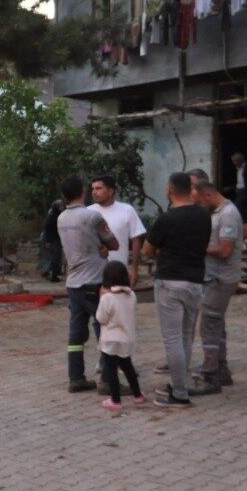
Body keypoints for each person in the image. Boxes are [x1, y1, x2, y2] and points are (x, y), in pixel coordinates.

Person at [142, 172, 211, 408]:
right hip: (195, 282)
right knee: (185, 337)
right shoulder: (204, 216)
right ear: (189, 190)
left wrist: (164, 250)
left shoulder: (166, 219)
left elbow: (147, 250)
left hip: (170, 282)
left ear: (170, 190)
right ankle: (180, 384)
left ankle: (180, 392)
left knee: (172, 339)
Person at [57, 175, 119, 392]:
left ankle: (76, 377)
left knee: (76, 333)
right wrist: (102, 248)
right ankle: (107, 380)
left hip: (73, 283)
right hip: (94, 280)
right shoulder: (93, 217)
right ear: (82, 191)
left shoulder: (61, 219)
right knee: (105, 327)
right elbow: (113, 242)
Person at [189, 179, 242, 394]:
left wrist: (200, 247)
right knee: (217, 322)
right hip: (214, 277)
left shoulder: (228, 214)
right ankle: (221, 370)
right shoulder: (218, 212)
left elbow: (225, 250)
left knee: (209, 324)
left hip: (221, 279)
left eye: (200, 201)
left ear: (208, 196)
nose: (200, 205)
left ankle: (211, 375)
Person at [96, 260, 144, 411]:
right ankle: (137, 395)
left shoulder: (107, 298)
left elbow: (100, 318)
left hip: (110, 340)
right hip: (127, 338)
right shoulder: (132, 295)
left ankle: (115, 400)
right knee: (128, 366)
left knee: (111, 370)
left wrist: (102, 297)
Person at [88, 174, 146, 287]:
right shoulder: (87, 212)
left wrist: (134, 270)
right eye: (93, 189)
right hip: (93, 272)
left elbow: (136, 240)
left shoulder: (127, 210)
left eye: (98, 188)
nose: (94, 192)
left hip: (119, 272)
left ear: (110, 191)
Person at [39, 199, 65, 281]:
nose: (61, 207)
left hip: (56, 239)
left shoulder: (58, 215)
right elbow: (47, 228)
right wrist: (47, 241)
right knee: (52, 258)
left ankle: (54, 275)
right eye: (59, 206)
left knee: (56, 258)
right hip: (51, 240)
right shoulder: (52, 216)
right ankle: (51, 275)